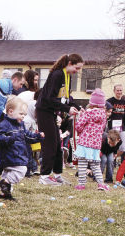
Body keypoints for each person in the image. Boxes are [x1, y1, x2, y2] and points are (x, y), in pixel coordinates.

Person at [36, 53, 83, 186]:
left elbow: (66, 98)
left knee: (58, 145)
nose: (77, 72)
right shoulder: (57, 74)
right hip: (44, 111)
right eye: (77, 68)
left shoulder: (66, 76)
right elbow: (49, 98)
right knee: (50, 144)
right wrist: (67, 109)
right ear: (69, 64)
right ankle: (44, 176)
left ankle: (57, 175)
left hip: (51, 111)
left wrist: (77, 107)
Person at [0, 97, 43, 200]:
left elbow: (27, 136)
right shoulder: (4, 125)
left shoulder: (20, 125)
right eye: (21, 114)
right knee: (21, 170)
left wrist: (38, 137)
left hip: (16, 155)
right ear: (11, 112)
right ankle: (5, 183)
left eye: (24, 115)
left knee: (7, 173)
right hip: (9, 155)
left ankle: (5, 194)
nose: (23, 117)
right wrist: (11, 138)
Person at [73, 89, 109, 191]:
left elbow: (79, 126)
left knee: (82, 164)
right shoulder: (103, 115)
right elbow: (102, 129)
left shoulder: (88, 114)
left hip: (85, 142)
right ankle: (101, 184)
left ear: (92, 103)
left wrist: (81, 117)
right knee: (95, 165)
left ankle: (81, 184)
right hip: (96, 144)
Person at [106, 84, 125, 157]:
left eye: (120, 90)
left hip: (121, 128)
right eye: (117, 90)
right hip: (112, 128)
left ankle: (114, 157)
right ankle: (110, 160)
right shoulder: (109, 101)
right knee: (112, 145)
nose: (119, 92)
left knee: (123, 147)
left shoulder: (124, 102)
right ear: (114, 91)